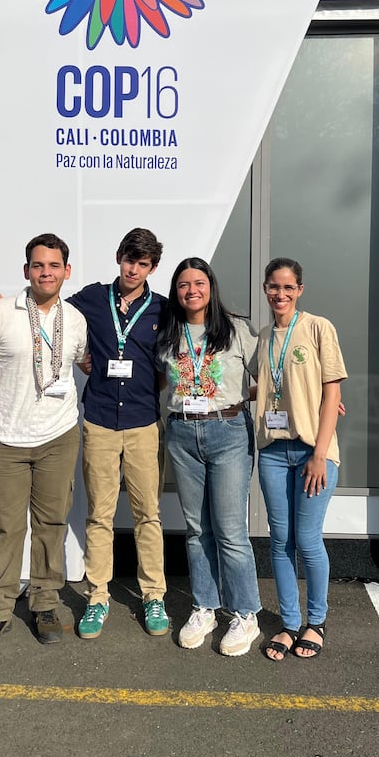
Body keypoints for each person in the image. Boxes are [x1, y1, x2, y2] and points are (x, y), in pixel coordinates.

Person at [0, 228, 170, 639]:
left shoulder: (163, 310)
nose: (133, 269)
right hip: (99, 421)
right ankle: (97, 596)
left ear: (152, 267)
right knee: (99, 516)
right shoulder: (88, 300)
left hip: (142, 423)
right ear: (118, 257)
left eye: (143, 264)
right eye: (128, 260)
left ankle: (153, 594)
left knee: (148, 515)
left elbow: (191, 341)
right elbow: (43, 303)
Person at [0, 233, 87, 653]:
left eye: (54, 265)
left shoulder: (76, 319)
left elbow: (81, 363)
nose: (46, 272)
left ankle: (45, 603)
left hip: (58, 437)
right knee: (7, 527)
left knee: (52, 525)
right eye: (38, 265)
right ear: (26, 271)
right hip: (4, 439)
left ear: (66, 272)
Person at [158, 257, 262, 656]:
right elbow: (157, 380)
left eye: (198, 283)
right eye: (183, 284)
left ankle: (245, 613)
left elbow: (267, 375)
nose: (191, 291)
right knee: (197, 528)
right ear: (176, 291)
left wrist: (311, 400)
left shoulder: (236, 330)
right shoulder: (169, 333)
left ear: (210, 286)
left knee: (230, 530)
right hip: (183, 432)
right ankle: (205, 606)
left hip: (228, 430)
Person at [255, 257, 347, 662]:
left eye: (289, 287)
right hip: (273, 451)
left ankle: (317, 621)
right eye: (274, 287)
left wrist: (319, 453)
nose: (281, 294)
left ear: (300, 290)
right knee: (281, 540)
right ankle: (290, 624)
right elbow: (270, 389)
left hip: (314, 452)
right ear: (265, 288)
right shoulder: (262, 337)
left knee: (308, 540)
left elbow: (332, 393)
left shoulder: (317, 327)